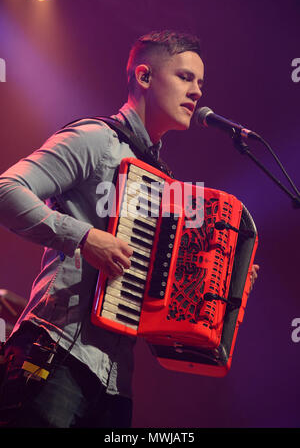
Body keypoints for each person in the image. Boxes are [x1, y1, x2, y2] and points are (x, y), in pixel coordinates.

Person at [0, 30, 259, 428]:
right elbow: (6, 191)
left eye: (200, 84)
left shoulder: (163, 183)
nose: (196, 93)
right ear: (144, 77)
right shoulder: (95, 139)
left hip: (116, 382)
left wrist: (226, 282)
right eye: (185, 77)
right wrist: (84, 237)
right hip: (56, 353)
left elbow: (166, 290)